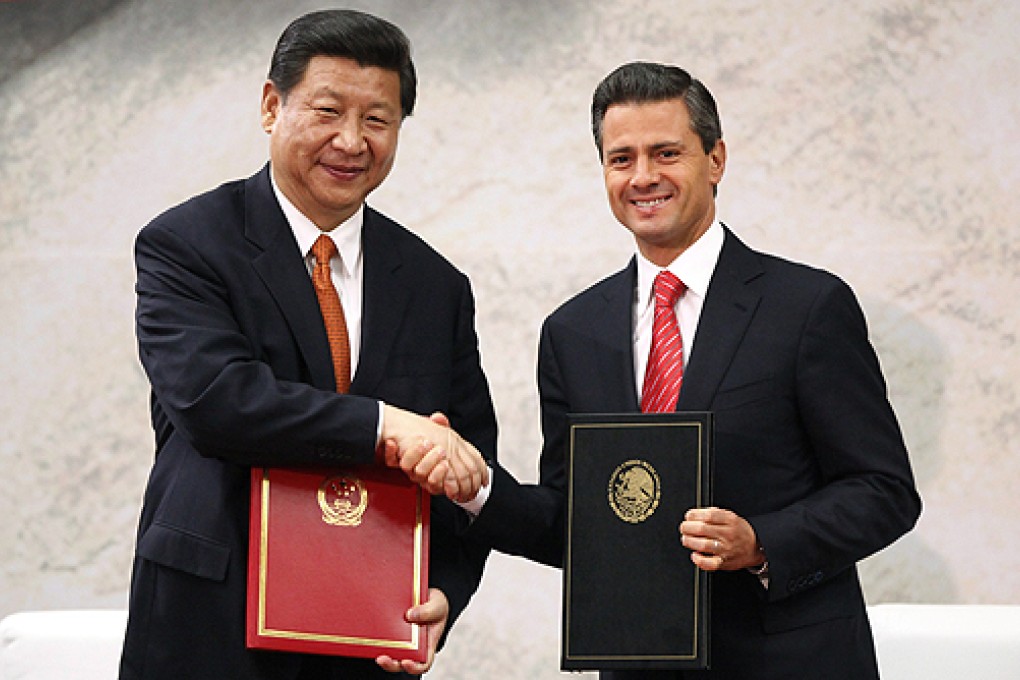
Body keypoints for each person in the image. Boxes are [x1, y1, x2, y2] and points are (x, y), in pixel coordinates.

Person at [407, 62, 922, 679]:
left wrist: (759, 542)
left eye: (666, 152)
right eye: (620, 158)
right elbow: (578, 523)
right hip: (638, 664)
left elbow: (885, 491)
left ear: (716, 159)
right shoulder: (572, 332)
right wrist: (478, 488)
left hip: (789, 660)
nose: (643, 177)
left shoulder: (807, 307)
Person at [119, 10, 496, 679]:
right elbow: (220, 403)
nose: (351, 141)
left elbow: (465, 459)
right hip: (210, 628)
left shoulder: (437, 286)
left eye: (377, 120)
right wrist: (387, 427)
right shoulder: (187, 244)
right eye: (327, 110)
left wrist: (446, 590)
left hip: (366, 638)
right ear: (272, 105)